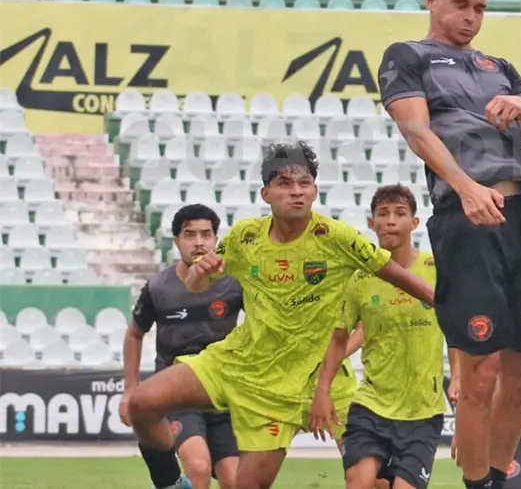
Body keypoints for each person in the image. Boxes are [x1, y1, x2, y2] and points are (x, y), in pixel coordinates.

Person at [126, 142, 435, 489]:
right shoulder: (246, 237)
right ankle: (172, 485)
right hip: (248, 367)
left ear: (315, 191)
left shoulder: (336, 238)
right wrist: (200, 272)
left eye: (304, 184)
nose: (297, 191)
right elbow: (197, 284)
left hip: (322, 379)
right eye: (285, 184)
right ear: (266, 192)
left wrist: (443, 302)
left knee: (372, 479)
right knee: (141, 404)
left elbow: (396, 274)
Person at [378, 0, 521, 489]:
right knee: (480, 374)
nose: (472, 17)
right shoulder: (408, 57)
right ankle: (475, 484)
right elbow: (416, 131)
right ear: (432, 0)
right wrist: (466, 186)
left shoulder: (500, 67)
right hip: (467, 221)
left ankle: (497, 480)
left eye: (479, 7)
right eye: (460, 5)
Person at [309, 184, 447, 489]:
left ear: (414, 223)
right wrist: (323, 390)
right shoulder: (359, 280)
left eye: (399, 213)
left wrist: (461, 379)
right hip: (372, 405)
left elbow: (458, 330)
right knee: (358, 481)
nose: (390, 221)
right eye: (382, 214)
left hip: (423, 411)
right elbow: (339, 338)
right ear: (371, 224)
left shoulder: (436, 270)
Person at [121, 204, 242, 489]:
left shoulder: (234, 283)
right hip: (178, 392)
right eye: (189, 235)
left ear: (216, 239)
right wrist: (130, 389)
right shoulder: (159, 287)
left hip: (225, 393)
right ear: (177, 241)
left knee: (236, 480)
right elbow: (134, 335)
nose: (198, 242)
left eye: (206, 234)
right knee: (198, 468)